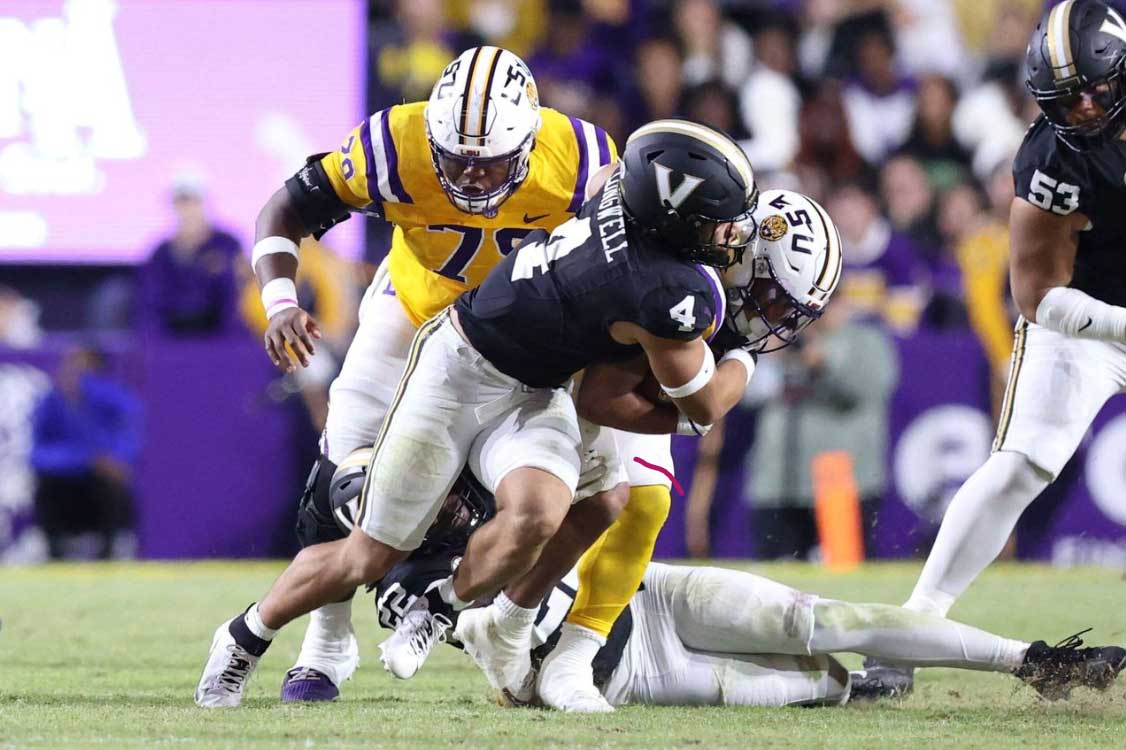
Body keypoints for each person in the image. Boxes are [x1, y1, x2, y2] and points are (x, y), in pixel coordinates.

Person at [194, 119, 769, 710]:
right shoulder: (667, 288)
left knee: (587, 503)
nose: (728, 233)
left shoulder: (607, 185)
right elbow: (700, 406)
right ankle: (245, 635)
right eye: (715, 220)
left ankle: (445, 607)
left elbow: (615, 186)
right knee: (368, 553)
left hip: (536, 388)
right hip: (456, 369)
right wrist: (747, 351)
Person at [240, 46, 639, 704]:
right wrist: (281, 301)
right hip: (413, 309)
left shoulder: (583, 159)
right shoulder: (394, 144)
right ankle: (326, 639)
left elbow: (617, 266)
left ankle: (500, 617)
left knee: (583, 490)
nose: (474, 180)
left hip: (516, 344)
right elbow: (285, 207)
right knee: (341, 463)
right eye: (456, 161)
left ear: (527, 143)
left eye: (491, 163)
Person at [862, 0, 1126, 695]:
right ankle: (914, 626)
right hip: (1087, 324)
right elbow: (1037, 294)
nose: (1083, 109)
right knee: (1021, 466)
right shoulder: (1052, 156)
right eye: (1066, 97)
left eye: (1095, 90)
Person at [366, 473, 1126, 708]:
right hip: (627, 673)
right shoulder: (407, 585)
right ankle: (865, 688)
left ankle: (1031, 660)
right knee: (824, 685)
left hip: (642, 594)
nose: (447, 504)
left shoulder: (494, 477)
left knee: (828, 620)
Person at [30, 345, 140, 559]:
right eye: (69, 364)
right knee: (46, 486)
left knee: (112, 484)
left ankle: (109, 553)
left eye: (82, 367)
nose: (72, 371)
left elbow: (126, 445)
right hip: (65, 485)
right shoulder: (51, 402)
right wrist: (84, 459)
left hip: (100, 488)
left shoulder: (116, 401)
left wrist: (110, 460)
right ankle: (56, 555)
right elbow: (37, 454)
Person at [140, 173, 242, 336]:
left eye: (192, 202)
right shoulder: (161, 253)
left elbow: (238, 290)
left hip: (221, 333)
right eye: (181, 203)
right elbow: (151, 300)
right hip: (172, 333)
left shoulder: (227, 244)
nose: (187, 210)